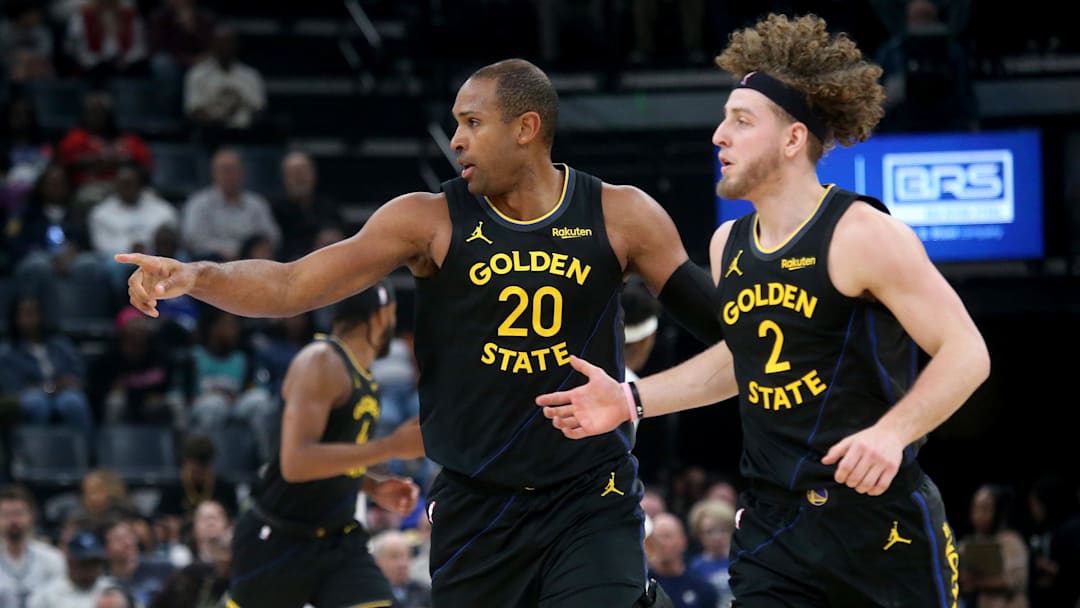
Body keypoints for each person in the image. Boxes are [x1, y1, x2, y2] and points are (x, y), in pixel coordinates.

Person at [117, 57, 725, 607]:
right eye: (456, 124)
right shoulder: (427, 220)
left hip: (589, 492)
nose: (456, 140)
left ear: (526, 128)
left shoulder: (621, 214)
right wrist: (195, 275)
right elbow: (289, 286)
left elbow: (727, 325)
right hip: (476, 502)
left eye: (472, 122)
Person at [536, 13, 990, 607]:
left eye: (740, 121)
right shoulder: (730, 245)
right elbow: (741, 358)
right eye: (724, 120)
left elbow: (967, 353)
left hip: (879, 526)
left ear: (793, 138)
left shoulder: (862, 233)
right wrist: (631, 399)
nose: (719, 135)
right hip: (776, 530)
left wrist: (891, 431)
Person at [225, 283, 424, 608]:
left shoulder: (362, 374)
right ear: (379, 318)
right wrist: (391, 446)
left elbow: (330, 459)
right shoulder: (320, 362)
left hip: (337, 540)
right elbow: (297, 462)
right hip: (279, 539)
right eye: (392, 316)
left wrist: (372, 487)